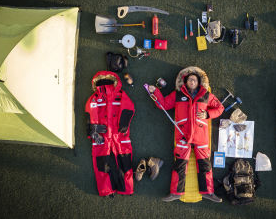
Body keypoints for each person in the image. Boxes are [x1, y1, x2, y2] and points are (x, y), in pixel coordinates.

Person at [148, 67, 224, 202]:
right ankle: (176, 193)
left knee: (205, 165)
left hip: (201, 136)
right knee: (179, 165)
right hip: (183, 135)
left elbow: (220, 108)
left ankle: (208, 192)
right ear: (186, 82)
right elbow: (163, 104)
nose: (192, 81)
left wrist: (208, 114)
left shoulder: (206, 95)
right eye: (190, 79)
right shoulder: (177, 95)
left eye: (194, 79)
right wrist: (155, 92)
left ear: (198, 82)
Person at [85, 71, 135, 197]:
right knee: (101, 164)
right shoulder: (95, 98)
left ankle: (126, 188)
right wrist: (93, 130)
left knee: (125, 161)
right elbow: (89, 112)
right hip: (101, 135)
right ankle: (107, 190)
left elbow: (129, 107)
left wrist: (124, 123)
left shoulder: (121, 95)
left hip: (120, 134)